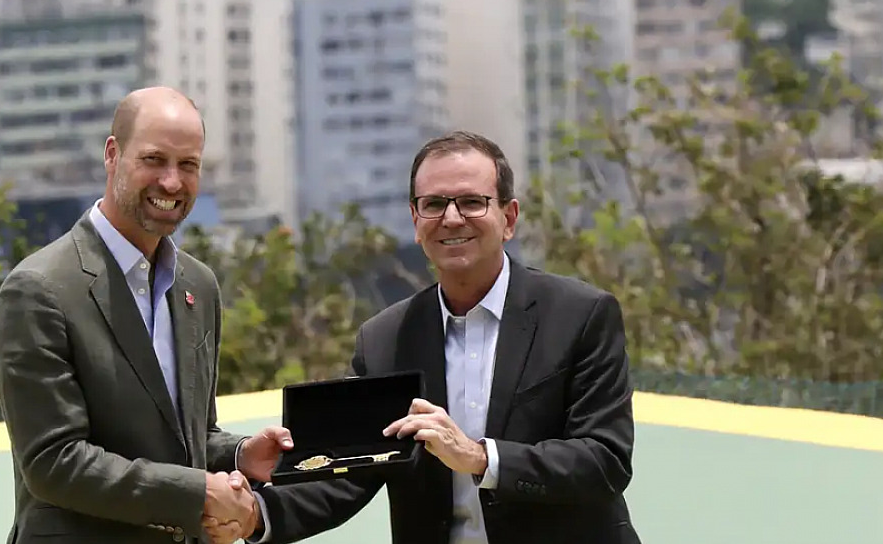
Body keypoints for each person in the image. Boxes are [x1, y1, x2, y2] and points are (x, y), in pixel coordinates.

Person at [207, 131, 640, 544]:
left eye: (472, 202)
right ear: (416, 221)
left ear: (508, 218)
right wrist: (254, 514)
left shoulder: (581, 315)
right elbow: (347, 472)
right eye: (434, 204)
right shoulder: (385, 339)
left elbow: (604, 460)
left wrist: (480, 457)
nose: (452, 219)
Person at [0, 86, 292, 544]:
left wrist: (242, 456)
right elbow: (54, 461)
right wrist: (198, 494)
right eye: (154, 159)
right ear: (113, 155)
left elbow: (187, 438)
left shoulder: (198, 286)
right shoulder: (38, 291)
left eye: (188, 165)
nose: (172, 182)